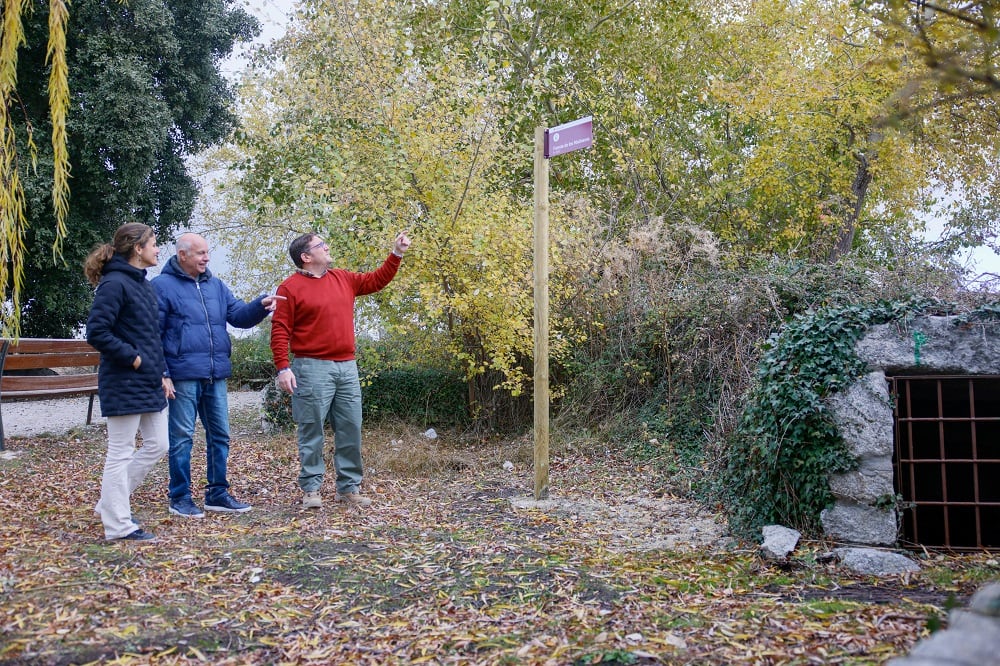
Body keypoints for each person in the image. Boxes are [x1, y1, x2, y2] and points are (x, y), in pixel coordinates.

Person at [271, 231, 411, 509]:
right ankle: (311, 489)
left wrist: (396, 254)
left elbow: (376, 280)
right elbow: (279, 329)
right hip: (311, 368)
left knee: (350, 428)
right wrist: (283, 368)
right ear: (306, 257)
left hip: (347, 368)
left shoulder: (343, 278)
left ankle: (348, 488)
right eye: (321, 245)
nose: (327, 246)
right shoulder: (289, 288)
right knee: (311, 430)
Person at [152, 232, 284, 517]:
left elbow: (238, 315)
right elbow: (153, 334)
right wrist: (163, 372)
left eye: (207, 253)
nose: (207, 258)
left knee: (220, 435)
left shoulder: (216, 286)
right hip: (183, 374)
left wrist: (259, 306)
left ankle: (217, 494)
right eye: (200, 253)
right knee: (182, 437)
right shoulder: (161, 286)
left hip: (215, 374)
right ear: (182, 254)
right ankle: (180, 497)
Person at [85, 223, 170, 542]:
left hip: (148, 380)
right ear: (138, 248)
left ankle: (110, 502)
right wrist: (134, 359)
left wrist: (159, 373)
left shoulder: (143, 284)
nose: (158, 249)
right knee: (120, 452)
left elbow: (150, 337)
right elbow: (97, 332)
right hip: (123, 379)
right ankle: (118, 524)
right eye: (154, 244)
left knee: (159, 444)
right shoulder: (115, 283)